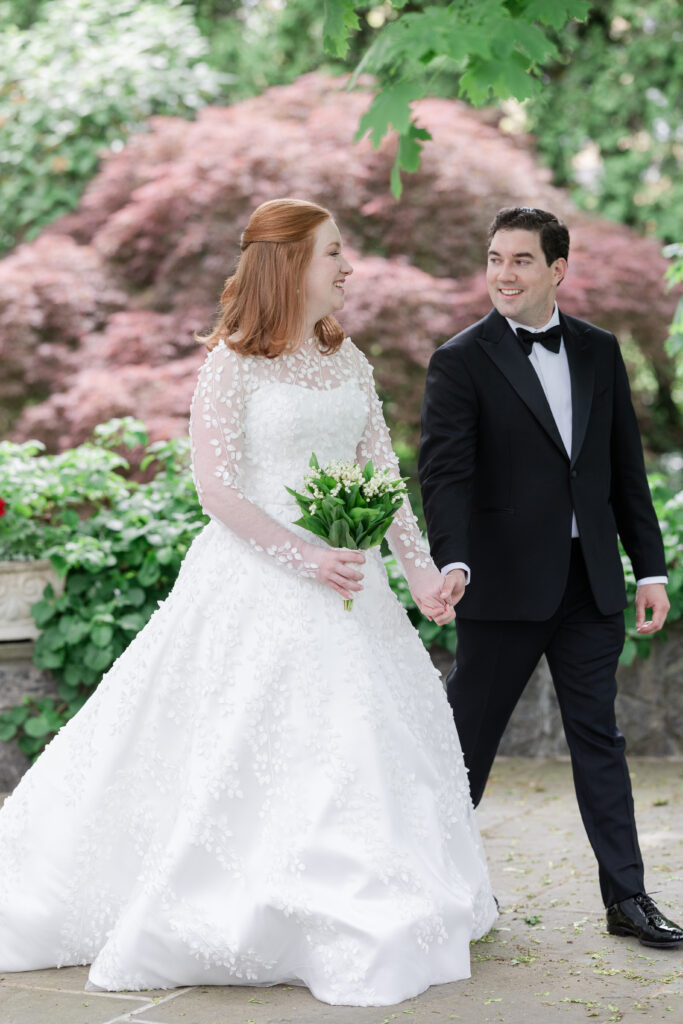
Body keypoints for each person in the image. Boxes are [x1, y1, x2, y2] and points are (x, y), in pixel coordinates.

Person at [0, 198, 497, 1006]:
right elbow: (216, 489)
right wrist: (306, 557)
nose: (347, 265)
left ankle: (359, 895)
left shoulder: (349, 360)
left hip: (352, 594)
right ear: (290, 263)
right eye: (334, 252)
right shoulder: (232, 362)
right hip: (257, 586)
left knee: (361, 746)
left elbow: (383, 481)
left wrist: (419, 574)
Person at [418, 205, 683, 949]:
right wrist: (454, 559)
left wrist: (649, 569)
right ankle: (427, 886)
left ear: (557, 269)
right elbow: (443, 476)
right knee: (465, 745)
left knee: (599, 738)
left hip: (589, 584)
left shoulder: (599, 352)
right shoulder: (460, 359)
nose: (503, 273)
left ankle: (627, 898)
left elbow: (623, 471)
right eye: (495, 258)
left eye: (520, 260)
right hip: (499, 588)